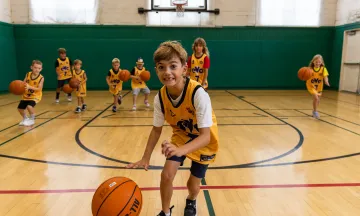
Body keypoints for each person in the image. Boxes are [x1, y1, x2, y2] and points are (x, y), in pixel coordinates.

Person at [126, 41, 219, 216]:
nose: (167, 72)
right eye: (162, 67)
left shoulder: (198, 94)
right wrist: (145, 158)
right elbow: (156, 130)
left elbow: (205, 136)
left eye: (173, 66)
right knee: (166, 175)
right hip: (182, 136)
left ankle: (191, 200)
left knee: (193, 184)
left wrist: (179, 150)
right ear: (156, 71)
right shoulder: (160, 98)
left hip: (204, 140)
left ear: (184, 69)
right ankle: (165, 212)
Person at [18, 60, 44, 126]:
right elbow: (23, 83)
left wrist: (30, 87)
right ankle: (25, 119)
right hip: (26, 95)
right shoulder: (28, 74)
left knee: (29, 106)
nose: (37, 69)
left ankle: (32, 120)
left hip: (35, 96)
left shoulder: (41, 78)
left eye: (39, 68)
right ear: (31, 67)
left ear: (41, 69)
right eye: (35, 67)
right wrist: (20, 87)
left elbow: (39, 89)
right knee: (20, 109)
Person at [306, 54, 330, 119]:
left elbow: (325, 76)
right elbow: (306, 76)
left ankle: (314, 110)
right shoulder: (310, 69)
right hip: (311, 86)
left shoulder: (323, 69)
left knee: (317, 100)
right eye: (316, 62)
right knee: (316, 98)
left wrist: (326, 81)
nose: (318, 63)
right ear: (313, 62)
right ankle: (315, 112)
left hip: (319, 86)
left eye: (319, 62)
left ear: (321, 62)